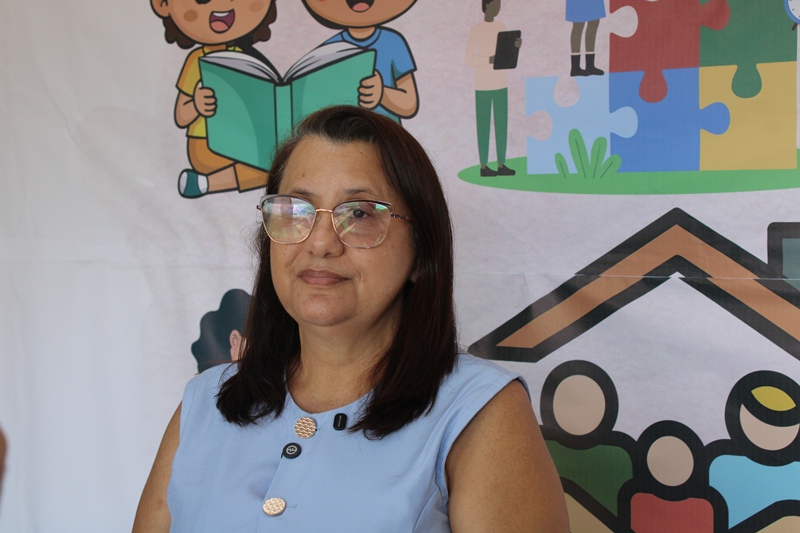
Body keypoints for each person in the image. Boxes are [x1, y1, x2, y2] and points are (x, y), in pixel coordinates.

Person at [133, 106, 569, 532]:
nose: (320, 243)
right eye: (296, 210)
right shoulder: (204, 402)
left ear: (422, 253)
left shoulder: (479, 410)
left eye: (359, 213)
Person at [150, 0, 277, 198]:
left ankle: (203, 183)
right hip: (205, 144)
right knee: (269, 170)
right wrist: (196, 105)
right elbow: (181, 116)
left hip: (241, 141)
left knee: (273, 165)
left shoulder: (244, 58)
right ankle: (205, 183)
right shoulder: (196, 60)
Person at [301, 0, 419, 122]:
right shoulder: (329, 49)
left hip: (384, 132)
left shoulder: (393, 42)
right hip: (342, 130)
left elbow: (409, 104)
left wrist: (382, 94)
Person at [465, 0, 521, 177]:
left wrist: (515, 48)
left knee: (501, 124)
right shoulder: (477, 29)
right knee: (483, 125)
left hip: (501, 83)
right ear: (487, 6)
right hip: (482, 85)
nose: (498, 7)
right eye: (495, 4)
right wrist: (489, 59)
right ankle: (484, 166)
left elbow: (507, 55)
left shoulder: (501, 26)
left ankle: (501, 164)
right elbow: (469, 59)